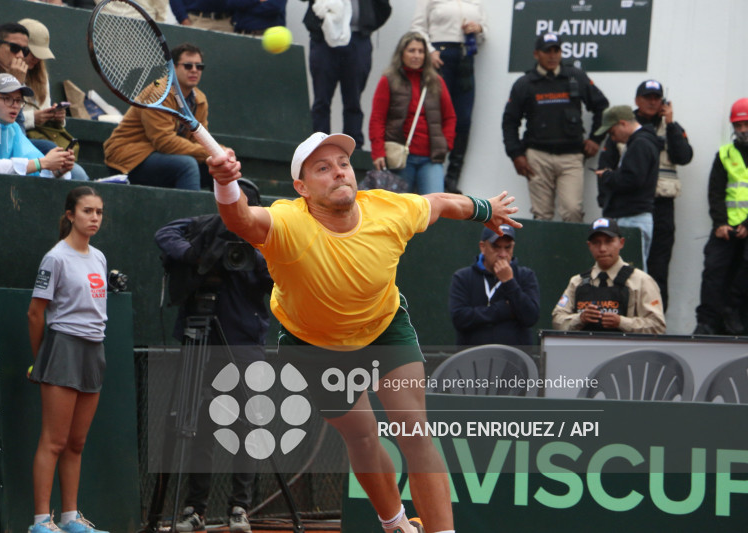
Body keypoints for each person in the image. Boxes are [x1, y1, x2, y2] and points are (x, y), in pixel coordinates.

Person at [207, 131, 521, 533]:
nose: (339, 173)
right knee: (362, 436)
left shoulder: (388, 210)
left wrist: (485, 208)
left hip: (384, 329)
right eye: (323, 168)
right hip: (313, 345)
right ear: (301, 188)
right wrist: (224, 181)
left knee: (414, 432)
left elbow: (441, 202)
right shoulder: (287, 221)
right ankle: (394, 524)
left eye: (343, 164)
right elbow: (242, 219)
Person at [154, 179, 272, 533]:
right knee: (199, 423)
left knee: (248, 425)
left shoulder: (264, 238)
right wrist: (195, 255)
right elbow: (166, 233)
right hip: (201, 337)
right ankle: (194, 509)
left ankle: (240, 509)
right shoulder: (205, 225)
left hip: (245, 344)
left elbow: (277, 274)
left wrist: (252, 254)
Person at [26, 186, 109, 533]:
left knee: (76, 443)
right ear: (70, 215)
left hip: (95, 349)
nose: (94, 218)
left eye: (99, 212)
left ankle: (70, 518)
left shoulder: (100, 257)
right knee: (54, 441)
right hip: (61, 349)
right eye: (87, 211)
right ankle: (41, 522)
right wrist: (41, 359)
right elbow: (35, 313)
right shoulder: (55, 258)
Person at [598, 80, 693, 309]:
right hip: (630, 206)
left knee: (658, 268)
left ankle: (655, 320)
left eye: (656, 97)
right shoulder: (622, 127)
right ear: (637, 101)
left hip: (661, 206)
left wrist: (669, 124)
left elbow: (684, 156)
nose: (652, 102)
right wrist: (607, 204)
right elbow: (605, 166)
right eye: (647, 97)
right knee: (629, 268)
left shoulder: (669, 128)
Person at [502, 32, 609, 222]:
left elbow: (602, 106)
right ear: (536, 54)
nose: (552, 56)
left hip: (571, 157)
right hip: (537, 157)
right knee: (542, 215)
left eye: (556, 51)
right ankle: (541, 253)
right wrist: (516, 154)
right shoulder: (524, 84)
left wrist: (595, 139)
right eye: (547, 51)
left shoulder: (575, 77)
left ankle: (571, 252)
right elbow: (510, 121)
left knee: (573, 211)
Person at [103, 43, 216, 191]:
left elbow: (200, 139)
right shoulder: (159, 92)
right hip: (130, 158)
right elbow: (164, 141)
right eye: (188, 66)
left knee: (220, 166)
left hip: (162, 155)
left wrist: (220, 152)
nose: (194, 70)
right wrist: (210, 152)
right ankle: (190, 213)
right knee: (187, 165)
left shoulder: (200, 99)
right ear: (173, 68)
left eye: (199, 66)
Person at [411, 0, 486, 194]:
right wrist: (429, 51)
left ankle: (452, 177)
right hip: (439, 58)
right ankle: (429, 171)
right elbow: (417, 28)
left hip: (466, 57)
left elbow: (484, 32)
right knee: (434, 116)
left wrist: (478, 28)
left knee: (463, 119)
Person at [369, 31, 456, 194]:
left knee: (433, 210)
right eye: (411, 50)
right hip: (401, 158)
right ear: (401, 53)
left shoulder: (436, 82)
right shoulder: (388, 80)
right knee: (400, 213)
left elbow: (450, 116)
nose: (416, 55)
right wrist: (378, 151)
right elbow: (377, 119)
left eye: (421, 51)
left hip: (431, 159)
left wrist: (446, 144)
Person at [301, 0, 391, 148]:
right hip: (323, 39)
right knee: (321, 99)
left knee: (353, 100)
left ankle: (352, 148)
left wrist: (366, 24)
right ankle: (317, 147)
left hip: (357, 40)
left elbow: (383, 8)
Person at [552, 217, 665, 334]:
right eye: (596, 242)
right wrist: (580, 318)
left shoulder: (641, 281)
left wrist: (621, 322)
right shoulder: (577, 282)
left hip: (627, 350)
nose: (602, 249)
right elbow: (557, 320)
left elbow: (657, 326)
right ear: (589, 245)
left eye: (609, 241)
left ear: (621, 243)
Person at [693, 98, 748, 336]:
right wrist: (720, 223)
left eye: (746, 124)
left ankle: (736, 318)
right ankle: (707, 324)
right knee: (713, 270)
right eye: (739, 125)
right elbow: (715, 191)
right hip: (725, 228)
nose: (743, 130)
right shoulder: (725, 154)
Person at [19, 18, 90, 181]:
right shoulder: (6, 72)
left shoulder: (41, 76)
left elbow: (45, 110)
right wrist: (34, 118)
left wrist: (57, 118)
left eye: (40, 54)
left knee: (75, 171)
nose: (37, 59)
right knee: (57, 155)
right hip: (23, 138)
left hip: (41, 136)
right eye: (33, 52)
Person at [594, 105, 663, 269]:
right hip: (634, 217)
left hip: (633, 218)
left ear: (623, 123)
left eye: (612, 132)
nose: (613, 138)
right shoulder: (641, 142)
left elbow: (632, 179)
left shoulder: (640, 143)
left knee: (631, 275)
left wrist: (608, 176)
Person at [449, 224, 540, 348]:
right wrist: (504, 309)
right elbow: (460, 319)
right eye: (496, 247)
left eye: (507, 248)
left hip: (513, 360)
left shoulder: (525, 275)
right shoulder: (462, 277)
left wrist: (509, 282)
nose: (502, 254)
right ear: (483, 247)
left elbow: (531, 317)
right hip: (473, 359)